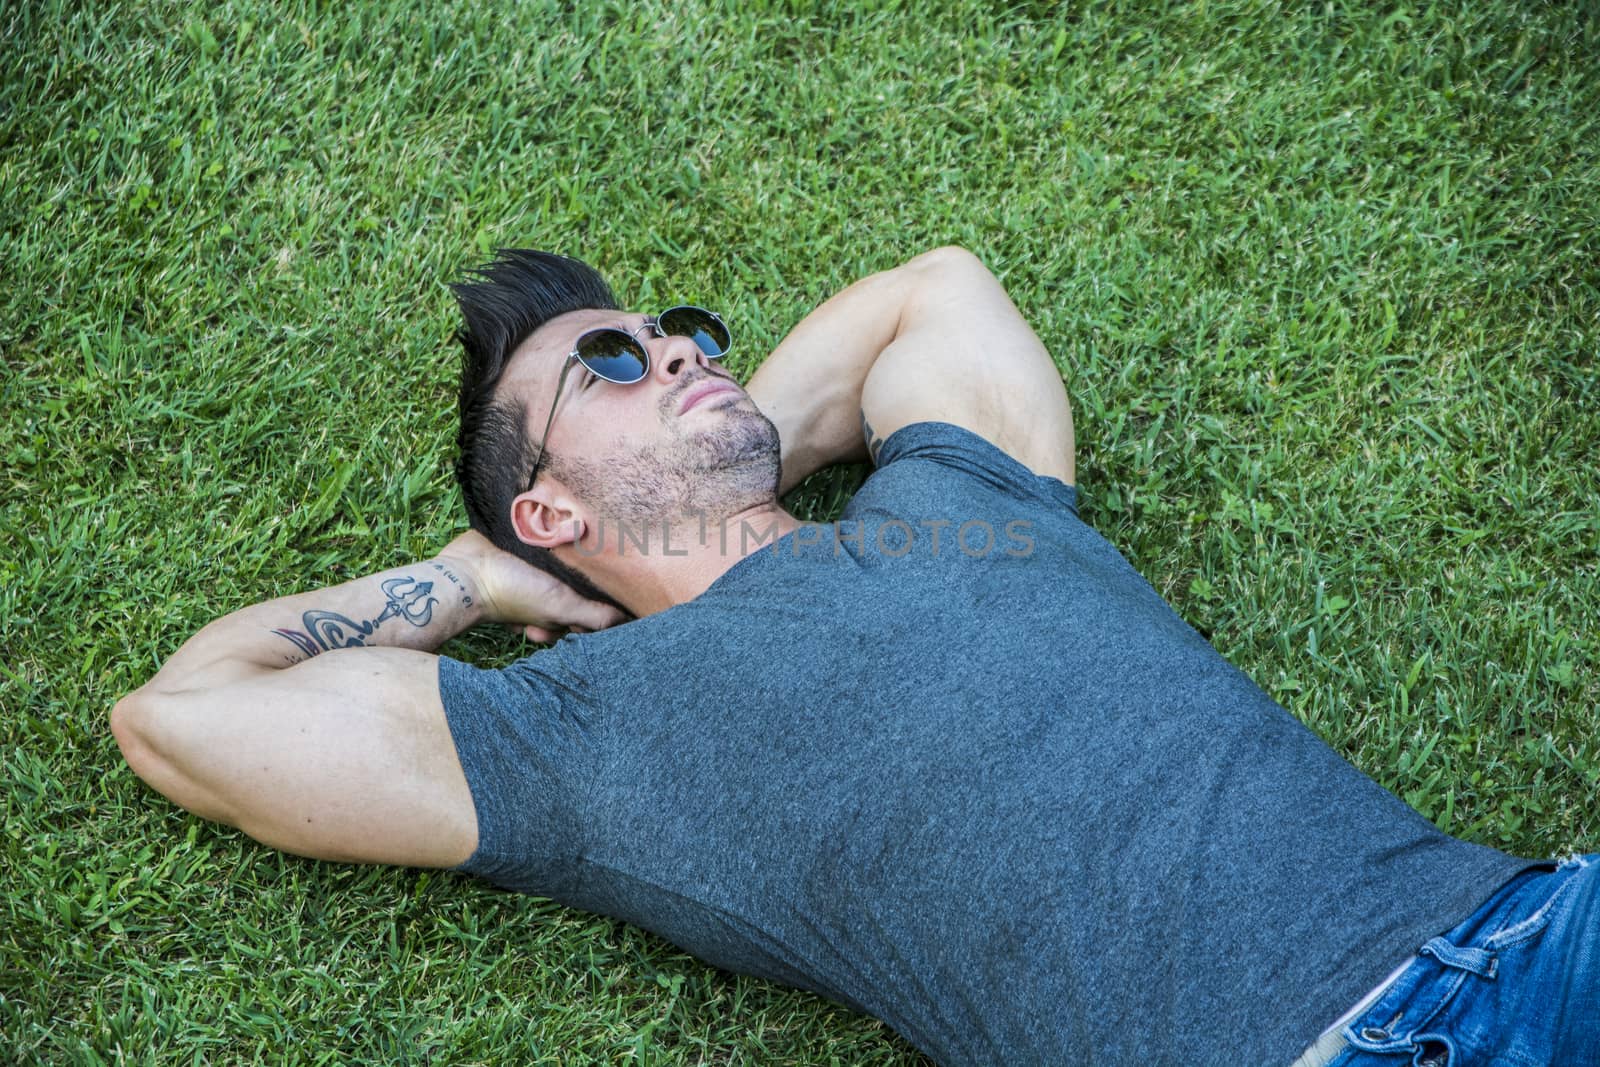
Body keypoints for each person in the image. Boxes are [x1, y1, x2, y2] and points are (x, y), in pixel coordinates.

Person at [111, 247, 1598, 1067]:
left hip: (1539, 932)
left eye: (684, 332)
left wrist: (704, 438)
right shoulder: (577, 736)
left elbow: (934, 290)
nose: (681, 353)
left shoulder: (962, 499)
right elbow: (183, 718)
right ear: (548, 497)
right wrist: (476, 576)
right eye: (611, 364)